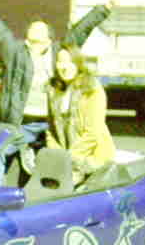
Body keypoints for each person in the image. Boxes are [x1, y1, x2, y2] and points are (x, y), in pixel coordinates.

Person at [0, 0, 122, 187]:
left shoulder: (60, 54)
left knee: (60, 166)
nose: (34, 32)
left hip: (54, 124)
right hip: (22, 124)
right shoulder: (14, 53)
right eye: (31, 32)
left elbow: (82, 29)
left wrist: (107, 6)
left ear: (49, 39)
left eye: (40, 32)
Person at [46, 44, 116, 184]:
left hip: (93, 158)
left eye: (69, 62)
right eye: (60, 62)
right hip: (65, 161)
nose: (65, 67)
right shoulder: (53, 90)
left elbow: (93, 132)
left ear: (78, 63)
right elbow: (51, 130)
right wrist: (57, 155)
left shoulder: (92, 89)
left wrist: (70, 159)